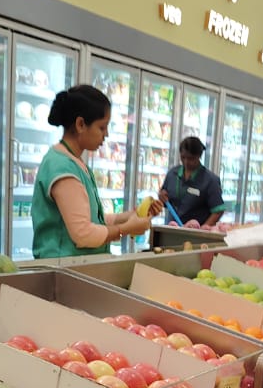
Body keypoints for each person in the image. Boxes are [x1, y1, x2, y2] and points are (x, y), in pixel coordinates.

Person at [32, 84, 158, 258]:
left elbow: (91, 220)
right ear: (80, 124)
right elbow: (83, 234)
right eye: (102, 127)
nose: (106, 135)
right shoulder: (61, 167)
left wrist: (131, 216)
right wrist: (126, 229)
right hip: (63, 267)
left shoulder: (74, 162)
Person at [158, 136, 226, 227]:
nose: (186, 162)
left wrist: (203, 229)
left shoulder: (210, 181)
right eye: (183, 157)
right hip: (172, 228)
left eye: (191, 158)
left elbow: (218, 211)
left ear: (199, 156)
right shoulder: (172, 174)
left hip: (195, 232)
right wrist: (161, 196)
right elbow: (164, 198)